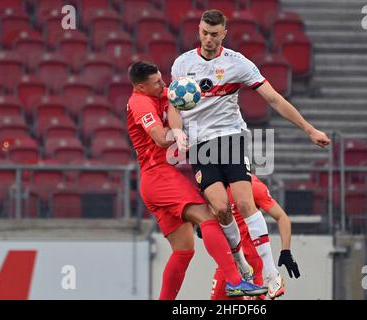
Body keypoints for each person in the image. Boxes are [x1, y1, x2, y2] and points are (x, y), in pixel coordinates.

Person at [170, 9, 330, 298]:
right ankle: (242, 265)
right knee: (219, 209)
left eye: (214, 34)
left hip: (230, 137)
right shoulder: (183, 64)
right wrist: (178, 131)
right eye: (204, 32)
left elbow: (273, 98)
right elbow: (173, 105)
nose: (208, 39)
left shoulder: (237, 64)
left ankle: (270, 272)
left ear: (224, 34)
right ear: (199, 30)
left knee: (244, 203)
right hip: (199, 145)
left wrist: (309, 129)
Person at [126, 61, 267, 299]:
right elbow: (160, 139)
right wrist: (192, 134)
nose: (163, 84)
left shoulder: (164, 95)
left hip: (155, 180)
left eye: (162, 78)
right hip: (158, 175)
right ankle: (235, 281)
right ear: (140, 87)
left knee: (183, 251)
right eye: (157, 82)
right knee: (208, 219)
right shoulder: (140, 103)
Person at [201, 175, 301, 300]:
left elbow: (282, 217)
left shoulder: (251, 186)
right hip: (231, 259)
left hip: (249, 263)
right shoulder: (214, 184)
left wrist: (286, 251)